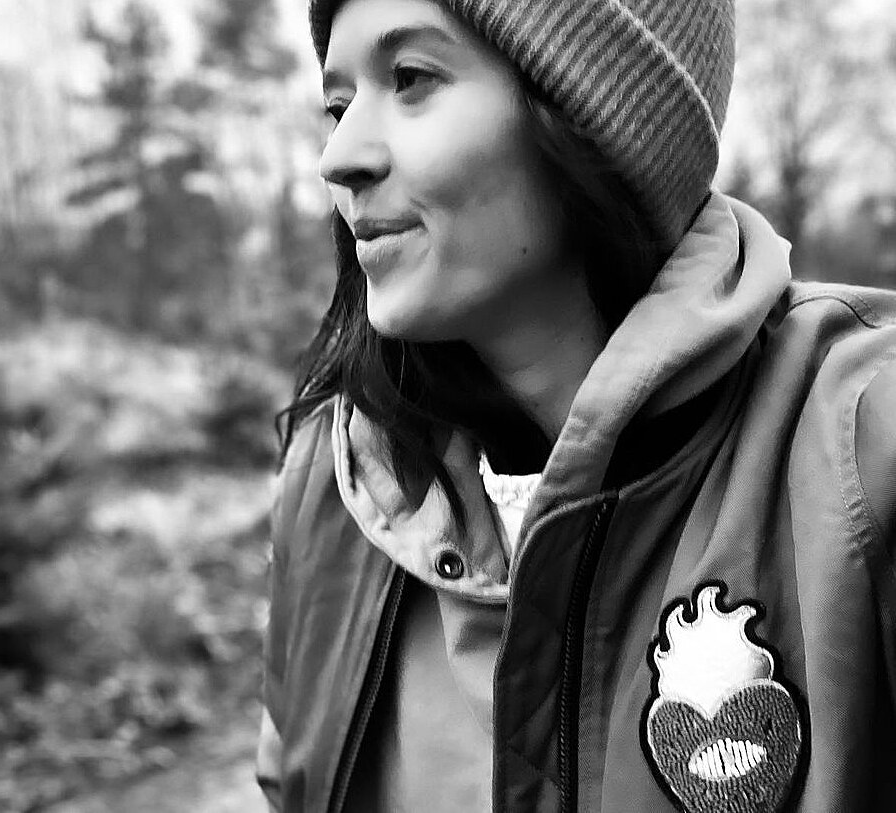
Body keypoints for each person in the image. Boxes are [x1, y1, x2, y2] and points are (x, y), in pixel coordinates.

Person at [257, 0, 896, 810]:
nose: (337, 157)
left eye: (410, 78)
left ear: (597, 112)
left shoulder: (863, 441)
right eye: (338, 105)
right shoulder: (339, 481)